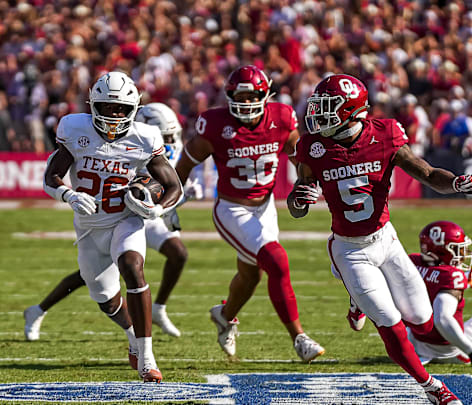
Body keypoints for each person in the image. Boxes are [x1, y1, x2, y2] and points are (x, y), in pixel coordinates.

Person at [290, 73, 471, 405]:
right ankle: (434, 388)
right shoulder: (312, 147)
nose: (318, 114)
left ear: (351, 110)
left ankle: (358, 299)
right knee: (390, 321)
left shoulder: (385, 134)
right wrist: (298, 199)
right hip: (350, 249)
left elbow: (427, 173)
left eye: (327, 107)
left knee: (421, 317)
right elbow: (297, 204)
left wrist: (457, 184)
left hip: (386, 240)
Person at [174, 65, 325, 362]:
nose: (245, 103)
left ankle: (224, 316)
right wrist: (170, 200)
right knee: (277, 261)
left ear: (264, 95)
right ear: (229, 96)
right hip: (232, 209)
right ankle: (299, 337)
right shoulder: (215, 124)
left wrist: (306, 183)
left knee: (251, 274)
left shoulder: (281, 117)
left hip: (266, 207)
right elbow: (184, 164)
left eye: (251, 96)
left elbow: (298, 154)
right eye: (239, 97)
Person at [43, 71, 182, 382]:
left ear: (133, 109)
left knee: (133, 267)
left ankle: (147, 359)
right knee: (105, 300)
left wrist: (156, 209)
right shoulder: (74, 128)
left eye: (120, 109)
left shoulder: (145, 137)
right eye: (107, 107)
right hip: (89, 228)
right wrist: (68, 194)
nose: (114, 115)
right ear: (93, 105)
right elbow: (50, 175)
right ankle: (133, 334)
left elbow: (173, 185)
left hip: (125, 219)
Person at [25, 102, 197, 340]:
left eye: (171, 135)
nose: (170, 140)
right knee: (95, 274)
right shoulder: (126, 139)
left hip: (144, 214)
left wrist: (178, 198)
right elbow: (131, 184)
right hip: (119, 211)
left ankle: (156, 310)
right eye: (165, 134)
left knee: (175, 254)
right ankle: (39, 309)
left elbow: (162, 189)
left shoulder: (151, 142)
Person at [349, 221, 472, 365]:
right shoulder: (452, 276)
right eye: (457, 249)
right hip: (447, 349)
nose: (462, 255)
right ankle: (460, 353)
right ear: (441, 251)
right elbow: (443, 319)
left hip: (415, 342)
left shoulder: (413, 262)